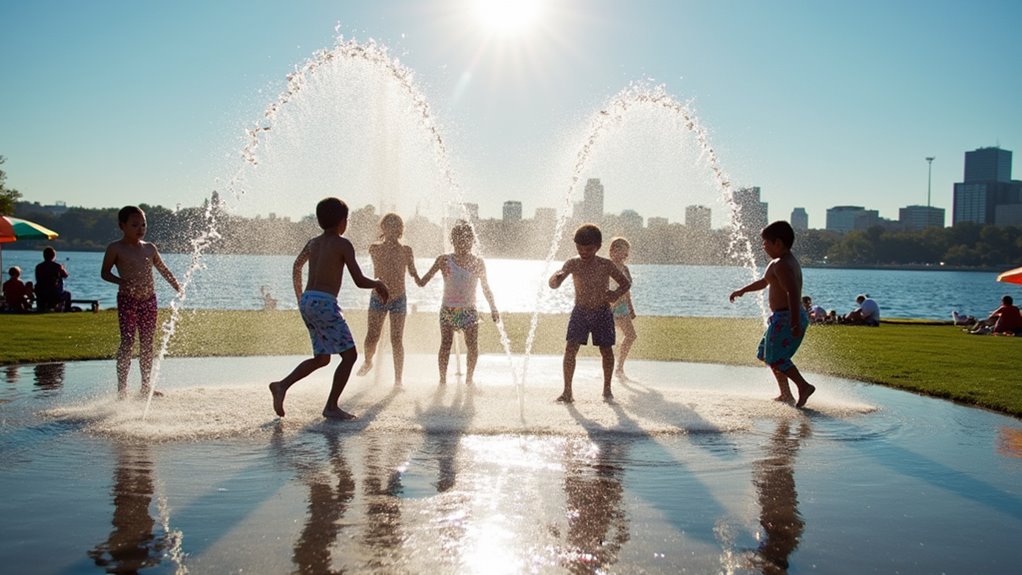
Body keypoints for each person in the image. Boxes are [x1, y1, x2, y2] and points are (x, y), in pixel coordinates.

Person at [268, 197, 389, 420]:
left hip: (308, 302)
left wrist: (300, 296)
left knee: (322, 358)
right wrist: (378, 283)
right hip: (325, 303)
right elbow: (359, 280)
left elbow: (296, 266)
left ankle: (281, 386)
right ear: (343, 221)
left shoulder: (313, 243)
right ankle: (331, 406)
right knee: (350, 356)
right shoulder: (343, 244)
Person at [729, 220, 815, 407]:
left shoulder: (782, 264)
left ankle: (803, 386)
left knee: (776, 357)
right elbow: (764, 282)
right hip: (782, 317)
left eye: (766, 243)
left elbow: (793, 292)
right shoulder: (779, 263)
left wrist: (793, 322)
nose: (763, 246)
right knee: (765, 354)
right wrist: (743, 290)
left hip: (787, 317)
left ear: (778, 243)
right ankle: (785, 393)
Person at [101, 206, 182, 399]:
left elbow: (162, 269)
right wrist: (121, 281)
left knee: (147, 343)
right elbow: (104, 273)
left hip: (149, 300)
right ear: (122, 225)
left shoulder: (149, 248)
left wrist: (177, 286)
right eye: (135, 225)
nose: (140, 228)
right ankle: (122, 390)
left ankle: (146, 386)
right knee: (127, 342)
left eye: (143, 224)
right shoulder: (115, 248)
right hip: (128, 300)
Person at [548, 223, 631, 403]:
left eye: (588, 249)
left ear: (598, 247)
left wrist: (615, 294)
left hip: (602, 312)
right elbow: (554, 285)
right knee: (571, 349)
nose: (583, 252)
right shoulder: (573, 263)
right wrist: (555, 277)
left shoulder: (606, 265)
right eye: (579, 248)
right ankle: (567, 391)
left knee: (606, 351)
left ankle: (607, 390)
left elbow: (626, 283)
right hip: (580, 312)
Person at [417, 220, 499, 386]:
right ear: (453, 241)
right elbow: (424, 280)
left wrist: (493, 308)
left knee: (472, 346)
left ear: (472, 241)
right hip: (448, 309)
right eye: (459, 239)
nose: (463, 242)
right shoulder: (444, 260)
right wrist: (412, 272)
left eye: (467, 239)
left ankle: (469, 379)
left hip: (469, 310)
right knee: (446, 344)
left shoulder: (477, 262)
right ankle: (442, 380)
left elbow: (485, 287)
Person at [356, 213, 421, 386]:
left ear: (400, 229)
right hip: (379, 297)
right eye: (388, 226)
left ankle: (398, 380)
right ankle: (368, 361)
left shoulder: (406, 250)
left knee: (396, 339)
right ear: (383, 228)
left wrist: (421, 279)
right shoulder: (374, 249)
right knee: (372, 336)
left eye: (396, 226)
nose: (392, 230)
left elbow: (412, 271)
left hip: (399, 298)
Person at [608, 237, 637, 382]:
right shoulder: (607, 266)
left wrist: (631, 307)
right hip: (609, 307)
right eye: (623, 253)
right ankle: (612, 368)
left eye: (627, 253)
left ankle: (619, 367)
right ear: (613, 250)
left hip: (622, 307)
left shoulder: (625, 268)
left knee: (630, 336)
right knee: (607, 340)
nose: (626, 256)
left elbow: (627, 289)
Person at [35, 246, 72, 312]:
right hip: (54, 294)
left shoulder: (38, 267)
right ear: (53, 256)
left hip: (41, 293)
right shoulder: (57, 266)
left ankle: (42, 307)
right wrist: (62, 269)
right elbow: (65, 276)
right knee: (68, 294)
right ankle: (67, 310)